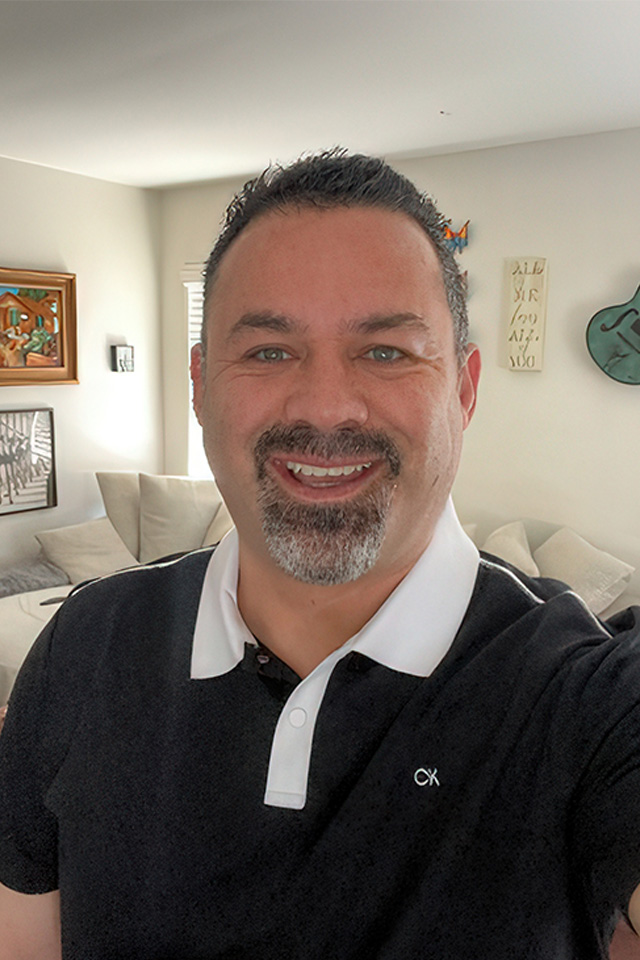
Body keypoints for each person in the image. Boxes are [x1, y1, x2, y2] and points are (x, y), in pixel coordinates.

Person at [0, 149, 639, 960]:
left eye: (387, 351)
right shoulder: (85, 645)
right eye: (268, 351)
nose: (328, 406)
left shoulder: (584, 695)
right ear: (199, 385)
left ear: (465, 389)